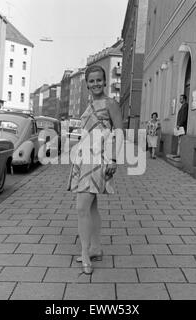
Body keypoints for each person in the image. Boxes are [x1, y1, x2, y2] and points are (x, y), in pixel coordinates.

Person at [67, 65, 123, 275]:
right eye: (91, 81)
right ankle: (96, 248)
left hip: (100, 158)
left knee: (82, 207)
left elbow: (118, 132)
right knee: (91, 207)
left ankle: (85, 254)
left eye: (99, 80)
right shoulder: (89, 103)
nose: (96, 84)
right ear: (87, 84)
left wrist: (114, 159)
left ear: (105, 81)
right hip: (85, 157)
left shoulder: (111, 104)